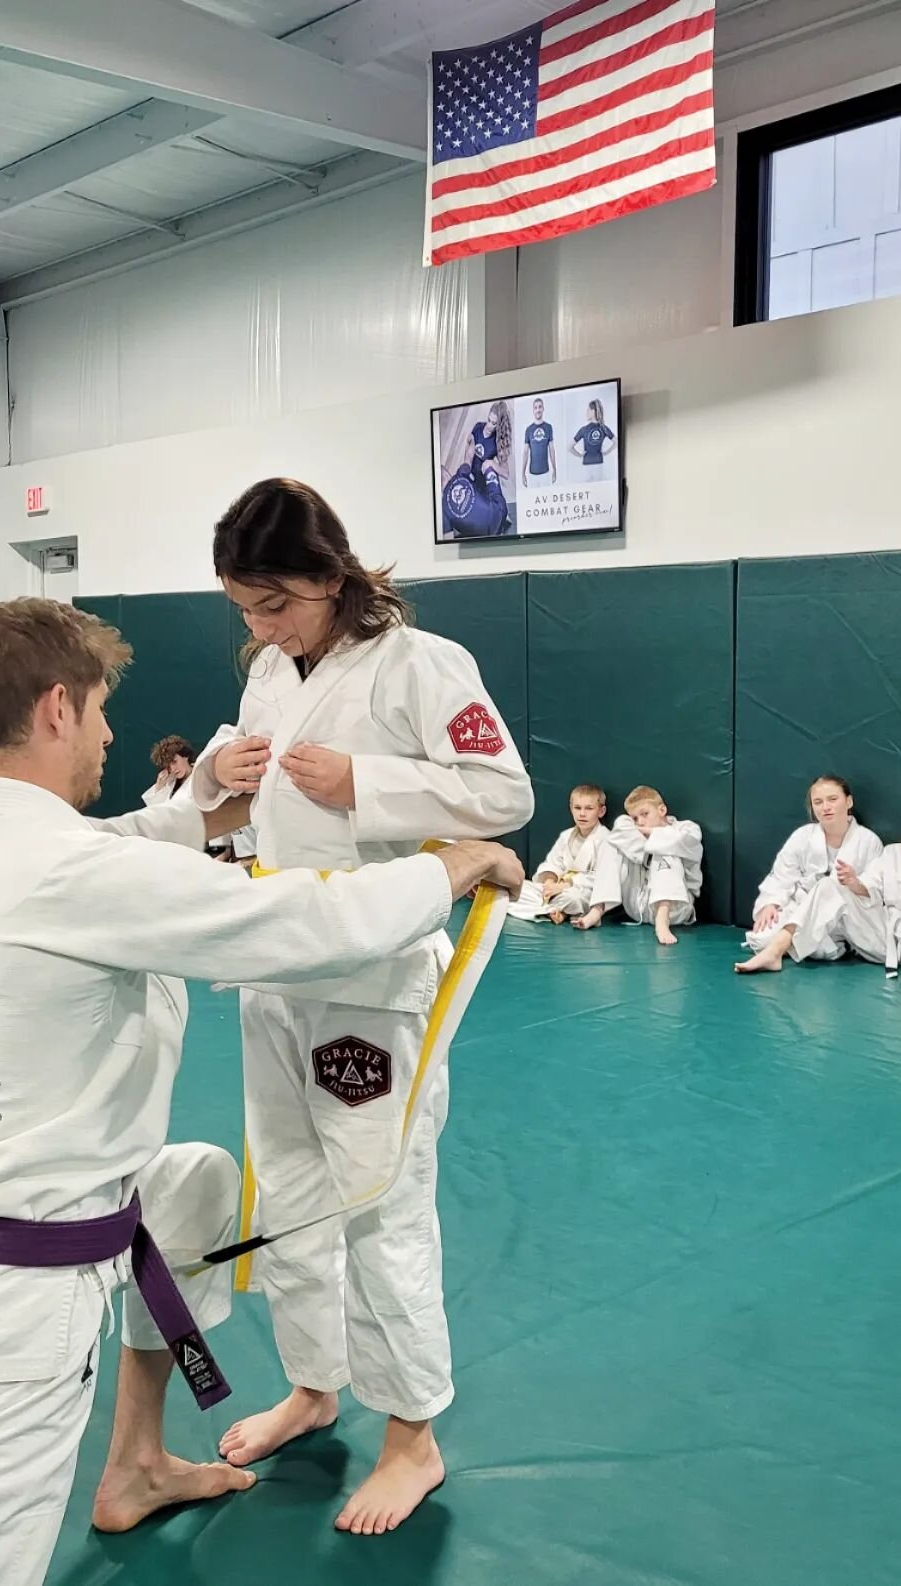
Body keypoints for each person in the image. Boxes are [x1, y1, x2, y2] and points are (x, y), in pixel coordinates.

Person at [0, 597, 524, 1586]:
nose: (108, 731)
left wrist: (203, 798)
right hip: (8, 1307)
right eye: (96, 709)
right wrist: (452, 866)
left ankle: (135, 1459)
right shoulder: (72, 876)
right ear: (55, 708)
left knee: (193, 1188)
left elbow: (122, 846)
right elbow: (302, 923)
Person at [191, 479, 534, 1536]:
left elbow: (506, 792)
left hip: (372, 984)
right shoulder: (262, 672)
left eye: (277, 603)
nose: (260, 626)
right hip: (278, 960)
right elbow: (242, 807)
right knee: (286, 1188)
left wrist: (371, 784)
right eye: (244, 607)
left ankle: (411, 1432)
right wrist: (219, 774)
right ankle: (313, 1382)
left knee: (379, 1199)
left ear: (332, 577)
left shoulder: (424, 665)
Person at [736, 795, 901, 998]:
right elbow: (869, 887)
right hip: (886, 940)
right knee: (830, 885)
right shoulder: (893, 853)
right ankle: (775, 951)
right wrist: (854, 882)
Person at [741, 776, 883, 956]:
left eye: (833, 799)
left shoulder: (869, 841)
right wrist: (771, 903)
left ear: (848, 801)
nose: (826, 807)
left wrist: (855, 883)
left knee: (827, 895)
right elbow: (781, 876)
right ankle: (809, 945)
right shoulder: (802, 836)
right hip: (801, 906)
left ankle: (790, 947)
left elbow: (877, 890)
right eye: (818, 802)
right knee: (760, 940)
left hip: (844, 916)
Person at [574, 785, 703, 946]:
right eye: (635, 818)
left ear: (662, 810)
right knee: (610, 843)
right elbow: (620, 831)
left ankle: (662, 923)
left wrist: (651, 837)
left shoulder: (687, 828)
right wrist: (645, 845)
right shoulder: (628, 826)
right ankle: (597, 910)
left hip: (675, 910)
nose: (640, 822)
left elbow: (683, 841)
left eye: (645, 814)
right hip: (638, 907)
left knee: (666, 850)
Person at [509, 784, 608, 923]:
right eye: (577, 808)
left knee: (573, 899)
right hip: (556, 888)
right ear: (571, 809)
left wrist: (563, 886)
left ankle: (555, 910)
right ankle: (555, 911)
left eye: (589, 808)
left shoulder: (606, 840)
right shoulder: (566, 836)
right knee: (517, 889)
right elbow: (553, 863)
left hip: (580, 891)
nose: (582, 814)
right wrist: (550, 884)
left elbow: (600, 879)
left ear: (601, 811)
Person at [441, 455, 511, 539]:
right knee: (488, 465)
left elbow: (448, 538)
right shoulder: (460, 474)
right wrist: (470, 442)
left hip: (484, 538)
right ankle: (503, 463)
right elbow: (468, 456)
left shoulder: (443, 509)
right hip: (500, 509)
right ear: (447, 474)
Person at [141, 734, 195, 806]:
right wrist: (159, 788)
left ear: (185, 756)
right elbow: (157, 811)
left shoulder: (202, 775)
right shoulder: (169, 783)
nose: (173, 769)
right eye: (168, 766)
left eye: (174, 762)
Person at [570, 399, 616, 481]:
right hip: (598, 463)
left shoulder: (584, 429)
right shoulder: (604, 428)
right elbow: (616, 442)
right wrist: (606, 452)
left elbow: (569, 447)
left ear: (593, 411)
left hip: (586, 464)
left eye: (588, 410)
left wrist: (580, 455)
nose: (586, 413)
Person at [521, 397, 556, 488]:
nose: (538, 410)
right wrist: (522, 474)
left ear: (543, 409)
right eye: (535, 408)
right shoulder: (528, 430)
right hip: (532, 474)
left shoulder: (548, 427)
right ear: (533, 410)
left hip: (546, 473)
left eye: (540, 407)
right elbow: (525, 452)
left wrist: (554, 469)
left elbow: (552, 449)